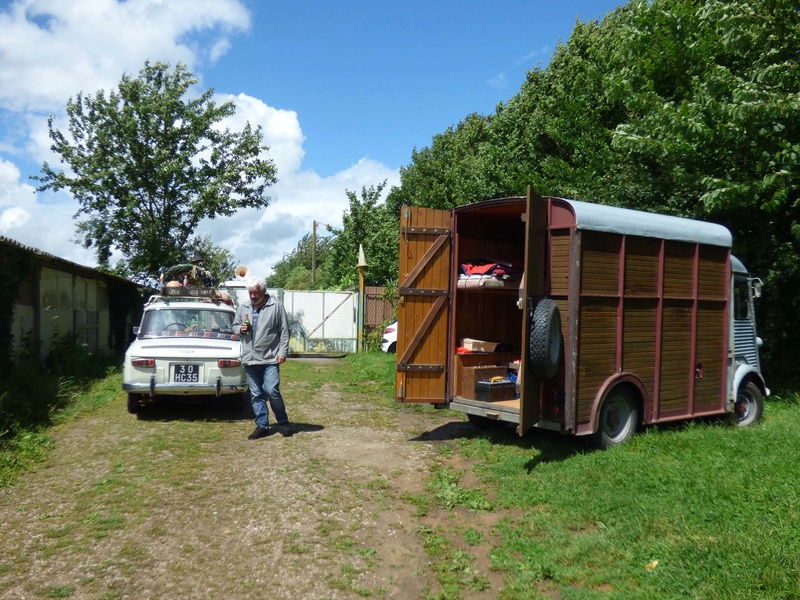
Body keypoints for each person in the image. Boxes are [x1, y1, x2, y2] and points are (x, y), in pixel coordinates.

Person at [233, 277, 292, 439]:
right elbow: (234, 326)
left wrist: (282, 352)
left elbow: (284, 332)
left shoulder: (276, 306)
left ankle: (283, 422)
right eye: (250, 293)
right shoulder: (243, 307)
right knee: (256, 394)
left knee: (272, 390)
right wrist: (241, 329)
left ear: (264, 291)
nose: (252, 296)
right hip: (249, 358)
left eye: (256, 293)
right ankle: (262, 425)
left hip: (270, 358)